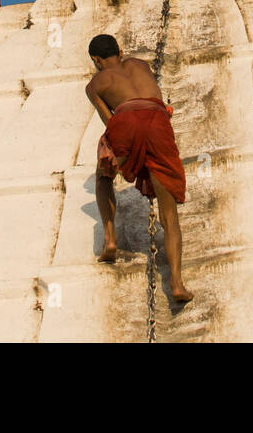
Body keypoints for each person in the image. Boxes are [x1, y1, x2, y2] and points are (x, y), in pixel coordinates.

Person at [85, 33, 192, 303]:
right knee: (169, 215)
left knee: (104, 175)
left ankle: (110, 238)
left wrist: (119, 154)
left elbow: (110, 121)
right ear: (120, 51)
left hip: (125, 119)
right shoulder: (141, 65)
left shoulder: (95, 84)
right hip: (158, 118)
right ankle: (177, 283)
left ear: (97, 60)